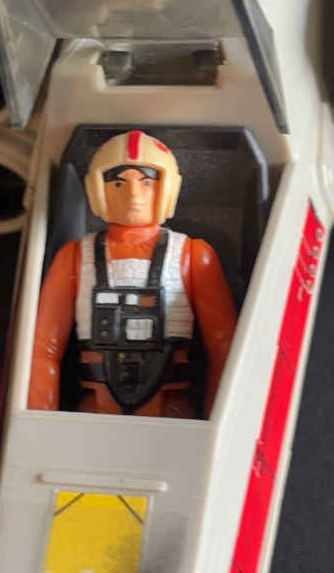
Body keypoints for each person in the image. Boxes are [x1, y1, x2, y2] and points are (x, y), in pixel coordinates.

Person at [28, 130, 237, 418]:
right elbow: (41, 349)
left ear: (167, 188)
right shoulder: (75, 257)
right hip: (96, 409)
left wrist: (222, 421)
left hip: (171, 411)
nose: (134, 196)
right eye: (118, 183)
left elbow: (225, 347)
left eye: (146, 182)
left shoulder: (193, 255)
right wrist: (38, 420)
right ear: (97, 189)